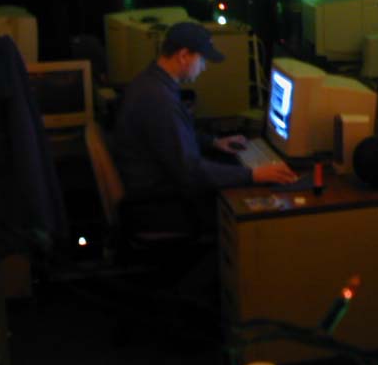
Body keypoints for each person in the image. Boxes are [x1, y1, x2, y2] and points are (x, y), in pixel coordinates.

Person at [113, 20, 297, 233]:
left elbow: (173, 135)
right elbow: (190, 173)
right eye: (201, 59)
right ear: (183, 56)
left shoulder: (152, 82)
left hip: (154, 191)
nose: (204, 67)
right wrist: (253, 175)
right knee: (253, 215)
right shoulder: (159, 100)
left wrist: (213, 142)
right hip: (160, 207)